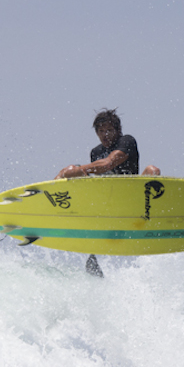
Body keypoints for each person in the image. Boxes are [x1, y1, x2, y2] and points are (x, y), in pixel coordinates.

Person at [55, 109, 160, 276]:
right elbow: (96, 182)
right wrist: (71, 173)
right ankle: (52, 203)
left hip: (132, 198)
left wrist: (77, 170)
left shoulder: (127, 141)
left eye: (109, 130)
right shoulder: (95, 152)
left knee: (152, 170)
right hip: (108, 203)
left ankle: (152, 213)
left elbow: (108, 163)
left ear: (118, 130)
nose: (105, 135)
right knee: (68, 170)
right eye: (101, 131)